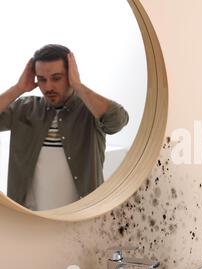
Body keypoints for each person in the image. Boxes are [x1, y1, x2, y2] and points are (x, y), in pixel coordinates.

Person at [0, 44, 129, 211]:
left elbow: (117, 120)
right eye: (42, 79)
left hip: (80, 219)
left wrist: (79, 86)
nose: (48, 87)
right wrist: (18, 89)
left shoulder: (90, 110)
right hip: (29, 220)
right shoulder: (25, 108)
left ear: (70, 75)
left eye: (56, 78)